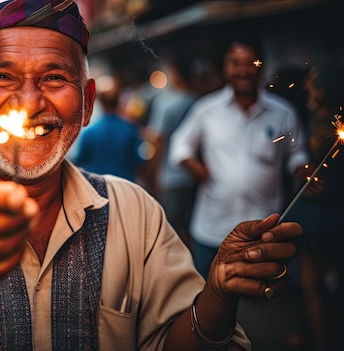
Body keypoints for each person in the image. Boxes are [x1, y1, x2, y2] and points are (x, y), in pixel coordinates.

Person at [0, 1, 301, 350]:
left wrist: (218, 293)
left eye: (54, 78)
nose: (28, 103)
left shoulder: (134, 212)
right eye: (2, 76)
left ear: (85, 104)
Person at [168, 35, 309, 278]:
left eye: (250, 62)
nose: (243, 70)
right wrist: (194, 166)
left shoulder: (283, 112)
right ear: (225, 67)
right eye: (236, 63)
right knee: (207, 296)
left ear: (261, 65)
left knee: (258, 300)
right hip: (212, 228)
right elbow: (179, 146)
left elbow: (297, 154)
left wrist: (302, 170)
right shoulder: (206, 109)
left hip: (263, 228)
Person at [285, 63, 344, 351]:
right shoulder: (331, 121)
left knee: (312, 284)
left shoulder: (324, 126)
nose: (306, 85)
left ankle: (320, 341)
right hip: (331, 212)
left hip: (321, 212)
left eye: (312, 82)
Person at [146, 53, 199, 246]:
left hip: (170, 175)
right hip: (193, 175)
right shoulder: (198, 101)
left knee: (170, 230)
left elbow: (157, 140)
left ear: (175, 73)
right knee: (190, 226)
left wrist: (154, 173)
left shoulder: (165, 102)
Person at [71, 74, 147, 182]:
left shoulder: (89, 132)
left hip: (97, 189)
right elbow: (140, 161)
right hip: (125, 188)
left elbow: (79, 160)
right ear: (118, 100)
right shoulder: (130, 130)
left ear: (99, 101)